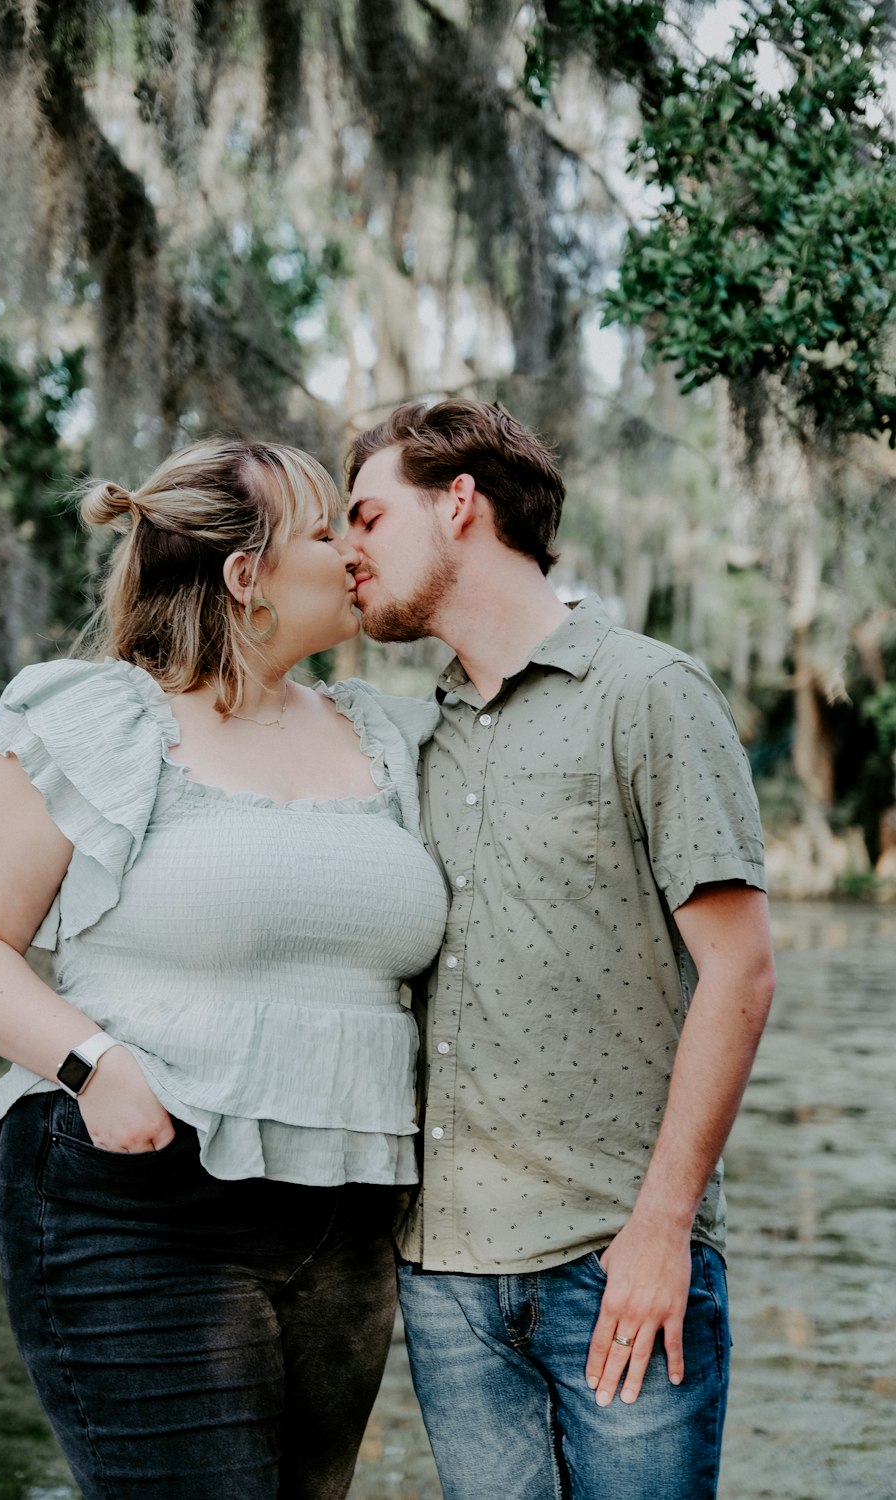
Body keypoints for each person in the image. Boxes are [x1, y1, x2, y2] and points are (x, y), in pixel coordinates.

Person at [0, 438, 449, 1500]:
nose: (354, 551)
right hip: (138, 1203)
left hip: (345, 1219)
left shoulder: (382, 736)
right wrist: (95, 1066)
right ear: (245, 577)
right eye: (323, 530)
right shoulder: (97, 721)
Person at [344, 400, 776, 1500]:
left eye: (366, 515)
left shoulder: (650, 694)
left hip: (615, 1260)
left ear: (458, 503)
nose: (347, 550)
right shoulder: (410, 741)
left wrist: (660, 1234)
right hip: (445, 1281)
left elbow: (739, 971)